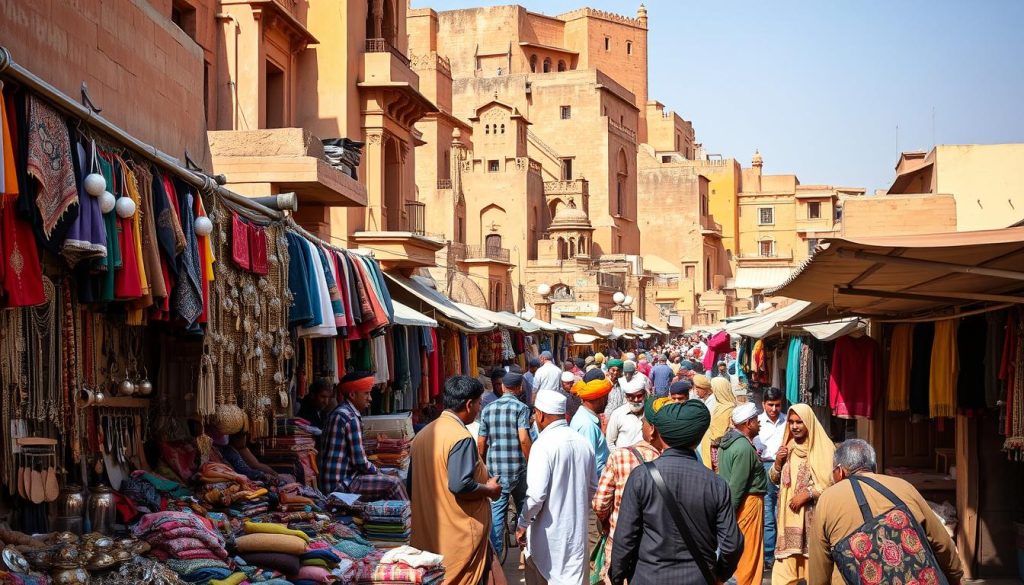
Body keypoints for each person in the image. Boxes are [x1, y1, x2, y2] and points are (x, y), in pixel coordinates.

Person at [609, 398, 742, 585]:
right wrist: (719, 575)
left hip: (648, 577)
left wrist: (617, 576)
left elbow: (625, 538)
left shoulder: (641, 477)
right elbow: (732, 544)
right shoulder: (716, 484)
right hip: (699, 578)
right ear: (698, 438)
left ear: (660, 434)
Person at [807, 439, 963, 585]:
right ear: (874, 467)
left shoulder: (827, 499)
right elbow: (942, 544)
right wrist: (955, 577)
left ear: (840, 471)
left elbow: (819, 569)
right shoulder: (903, 487)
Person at [410, 376, 503, 585]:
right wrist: (489, 489)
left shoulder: (423, 434)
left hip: (429, 535)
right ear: (469, 404)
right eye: (479, 403)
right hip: (458, 538)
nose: (479, 408)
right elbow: (460, 485)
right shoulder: (460, 436)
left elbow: (411, 487)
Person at [516, 390, 597, 585]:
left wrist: (522, 524)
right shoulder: (583, 443)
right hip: (576, 535)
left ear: (541, 414)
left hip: (548, 541)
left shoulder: (543, 445)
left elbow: (536, 496)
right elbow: (593, 489)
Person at [769, 404, 836, 585]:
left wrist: (808, 494)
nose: (794, 426)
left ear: (809, 424)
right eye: (791, 422)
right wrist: (777, 462)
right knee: (782, 576)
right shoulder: (788, 447)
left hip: (812, 523)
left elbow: (832, 483)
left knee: (815, 574)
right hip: (787, 523)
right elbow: (775, 479)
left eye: (799, 422)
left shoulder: (824, 449)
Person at [593, 413, 663, 583]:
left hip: (618, 543)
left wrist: (605, 522)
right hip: (656, 548)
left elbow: (600, 503)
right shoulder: (667, 461)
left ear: (650, 429)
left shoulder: (619, 456)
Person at [321, 372, 408, 500]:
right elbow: (360, 462)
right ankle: (410, 518)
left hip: (338, 480)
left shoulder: (342, 412)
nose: (370, 398)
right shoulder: (349, 417)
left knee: (390, 478)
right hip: (341, 485)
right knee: (394, 483)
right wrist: (380, 473)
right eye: (366, 393)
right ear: (352, 394)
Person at [477, 371, 533, 558]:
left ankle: (496, 558)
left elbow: (481, 442)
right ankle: (527, 550)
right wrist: (531, 460)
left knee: (497, 512)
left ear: (502, 387)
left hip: (495, 470)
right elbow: (524, 439)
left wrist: (483, 464)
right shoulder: (521, 408)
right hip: (518, 468)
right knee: (525, 508)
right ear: (519, 389)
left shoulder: (487, 409)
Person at [718, 403, 768, 585]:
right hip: (748, 505)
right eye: (756, 419)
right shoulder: (743, 448)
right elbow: (737, 487)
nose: (759, 422)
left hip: (737, 505)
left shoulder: (729, 443)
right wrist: (728, 515)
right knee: (749, 554)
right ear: (748, 423)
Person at [756, 387, 786, 570]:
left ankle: (781, 553)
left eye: (777, 405)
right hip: (765, 467)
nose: (774, 409)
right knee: (768, 513)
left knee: (781, 513)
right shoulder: (757, 422)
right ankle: (768, 556)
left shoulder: (787, 421)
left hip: (784, 468)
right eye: (770, 405)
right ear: (763, 404)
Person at [699, 377, 738, 470]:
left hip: (719, 450)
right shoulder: (717, 406)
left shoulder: (729, 408)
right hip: (710, 449)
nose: (712, 391)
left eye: (713, 388)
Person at [605, 384, 646, 449]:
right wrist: (618, 456)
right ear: (626, 397)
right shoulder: (617, 414)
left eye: (639, 396)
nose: (636, 400)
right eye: (631, 397)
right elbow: (609, 442)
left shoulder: (649, 413)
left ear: (645, 395)